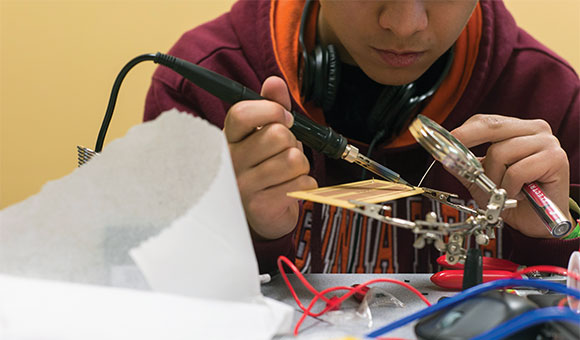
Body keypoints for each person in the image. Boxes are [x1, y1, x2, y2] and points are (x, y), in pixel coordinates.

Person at [144, 0, 579, 274]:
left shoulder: (550, 98)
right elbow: (147, 301)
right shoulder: (204, 87)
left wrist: (550, 238)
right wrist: (237, 226)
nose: (404, 24)